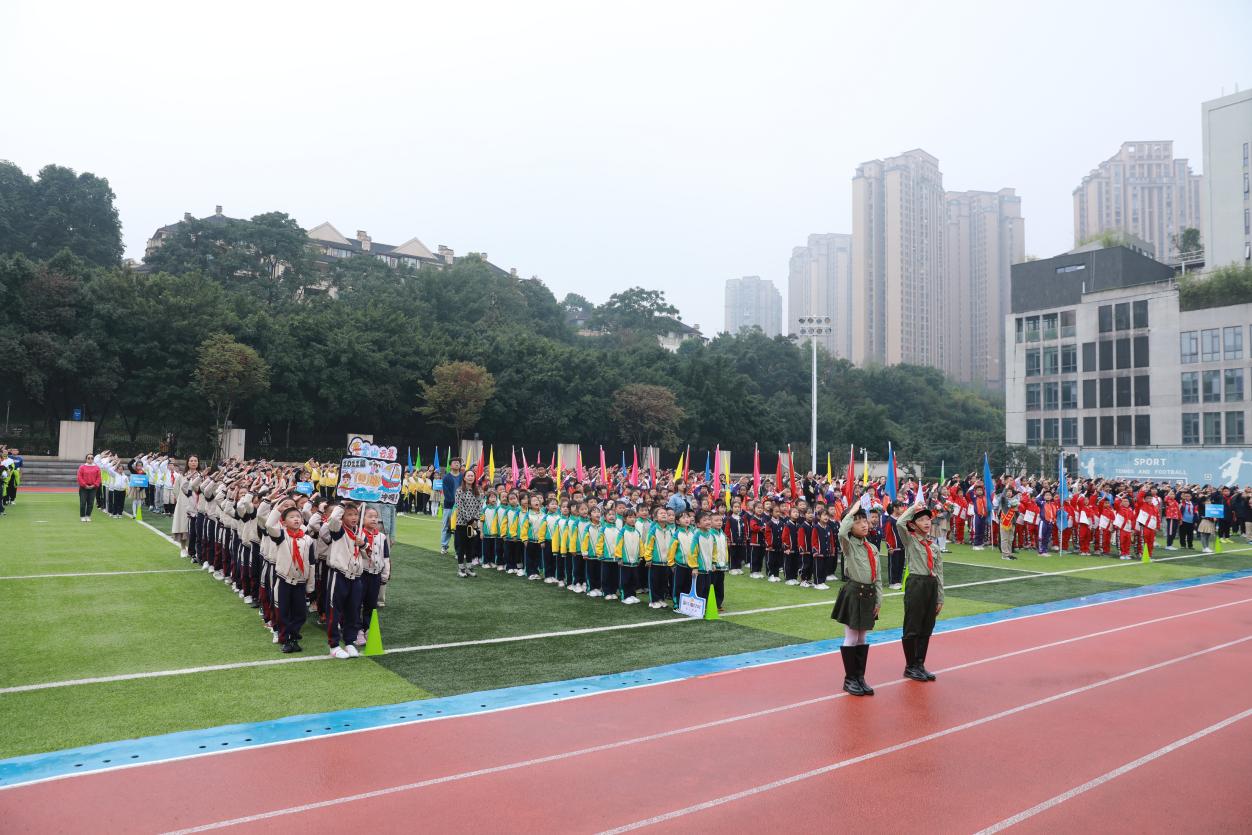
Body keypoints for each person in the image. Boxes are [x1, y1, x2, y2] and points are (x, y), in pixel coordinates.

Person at [832, 504, 883, 696]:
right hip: (854, 593)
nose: (864, 525)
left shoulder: (873, 548)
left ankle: (860, 677)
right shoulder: (849, 544)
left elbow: (877, 576)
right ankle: (850, 679)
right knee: (852, 637)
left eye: (865, 520)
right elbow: (841, 533)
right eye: (858, 522)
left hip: (869, 594)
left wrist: (879, 600)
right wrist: (850, 513)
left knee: (862, 637)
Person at [897, 500, 944, 682]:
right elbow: (899, 523)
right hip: (916, 584)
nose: (926, 523)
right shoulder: (910, 539)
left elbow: (939, 572)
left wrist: (940, 597)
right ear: (914, 523)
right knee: (913, 626)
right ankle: (910, 666)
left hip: (931, 585)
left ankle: (920, 664)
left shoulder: (934, 546)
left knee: (927, 627)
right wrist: (913, 508)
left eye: (928, 520)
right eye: (922, 519)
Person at [265, 498, 315, 654]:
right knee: (284, 611)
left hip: (300, 581)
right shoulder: (281, 535)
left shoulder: (308, 539)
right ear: (284, 522)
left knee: (300, 612)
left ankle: (294, 636)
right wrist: (277, 510)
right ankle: (286, 639)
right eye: (291, 517)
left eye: (298, 517)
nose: (296, 519)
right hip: (284, 580)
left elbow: (311, 563)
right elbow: (269, 525)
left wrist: (310, 584)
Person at [325, 502, 366, 659]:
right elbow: (333, 520)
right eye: (349, 514)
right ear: (342, 517)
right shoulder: (339, 530)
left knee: (353, 611)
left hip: (356, 577)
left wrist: (362, 544)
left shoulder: (359, 531)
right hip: (339, 575)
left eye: (355, 514)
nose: (354, 517)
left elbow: (366, 554)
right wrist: (342, 504)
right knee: (334, 611)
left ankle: (349, 641)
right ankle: (334, 645)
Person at [452, 470, 483, 578]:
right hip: (462, 523)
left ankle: (469, 567)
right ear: (464, 478)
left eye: (472, 476)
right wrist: (470, 519)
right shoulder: (459, 491)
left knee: (470, 546)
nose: (470, 477)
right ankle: (461, 568)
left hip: (473, 523)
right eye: (468, 475)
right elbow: (460, 507)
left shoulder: (478, 491)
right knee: (461, 546)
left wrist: (475, 519)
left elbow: (480, 506)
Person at [439, 457, 464, 554]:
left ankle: (459, 549)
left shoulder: (463, 477)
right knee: (447, 526)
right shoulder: (446, 477)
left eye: (458, 463)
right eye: (455, 462)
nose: (457, 464)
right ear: (451, 465)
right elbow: (447, 493)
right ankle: (444, 546)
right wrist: (455, 503)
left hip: (461, 507)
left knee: (459, 528)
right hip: (449, 506)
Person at [77, 454, 101, 522]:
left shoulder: (97, 468)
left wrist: (94, 485)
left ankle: (88, 516)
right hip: (84, 487)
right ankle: (82, 516)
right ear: (86, 459)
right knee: (83, 502)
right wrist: (85, 485)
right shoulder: (82, 467)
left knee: (90, 503)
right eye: (89, 458)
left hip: (93, 487)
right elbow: (79, 477)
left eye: (92, 458)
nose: (90, 459)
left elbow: (98, 478)